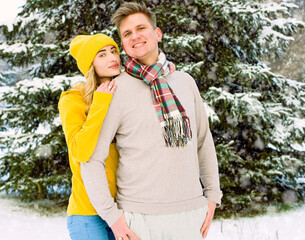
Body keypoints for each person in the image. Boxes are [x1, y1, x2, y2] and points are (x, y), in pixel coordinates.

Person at [81, 2, 222, 240]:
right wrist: (112, 217)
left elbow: (202, 142)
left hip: (191, 215)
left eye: (141, 28)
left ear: (157, 33)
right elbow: (91, 158)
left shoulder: (185, 82)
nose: (135, 36)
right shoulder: (115, 90)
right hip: (138, 219)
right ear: (123, 44)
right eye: (127, 34)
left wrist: (211, 197)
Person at [58, 33, 121, 240]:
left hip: (120, 211)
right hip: (87, 212)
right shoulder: (73, 99)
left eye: (114, 51)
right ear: (90, 65)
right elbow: (80, 151)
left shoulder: (123, 94)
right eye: (102, 55)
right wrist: (100, 103)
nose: (112, 58)